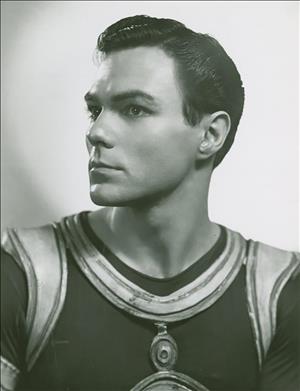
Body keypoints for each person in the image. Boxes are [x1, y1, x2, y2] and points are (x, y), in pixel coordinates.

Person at [1, 14, 299, 391]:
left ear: (210, 134)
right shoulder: (23, 275)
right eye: (96, 110)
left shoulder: (278, 292)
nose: (96, 132)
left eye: (134, 109)